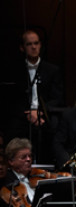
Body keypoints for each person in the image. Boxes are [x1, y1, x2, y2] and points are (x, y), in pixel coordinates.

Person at [7, 30, 64, 162]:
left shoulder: (52, 70)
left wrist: (40, 112)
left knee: (55, 127)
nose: (33, 47)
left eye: (36, 43)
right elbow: (12, 99)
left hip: (44, 114)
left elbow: (57, 98)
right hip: (23, 115)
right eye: (29, 44)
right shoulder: (15, 70)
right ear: (22, 48)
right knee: (12, 127)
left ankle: (51, 166)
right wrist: (28, 113)